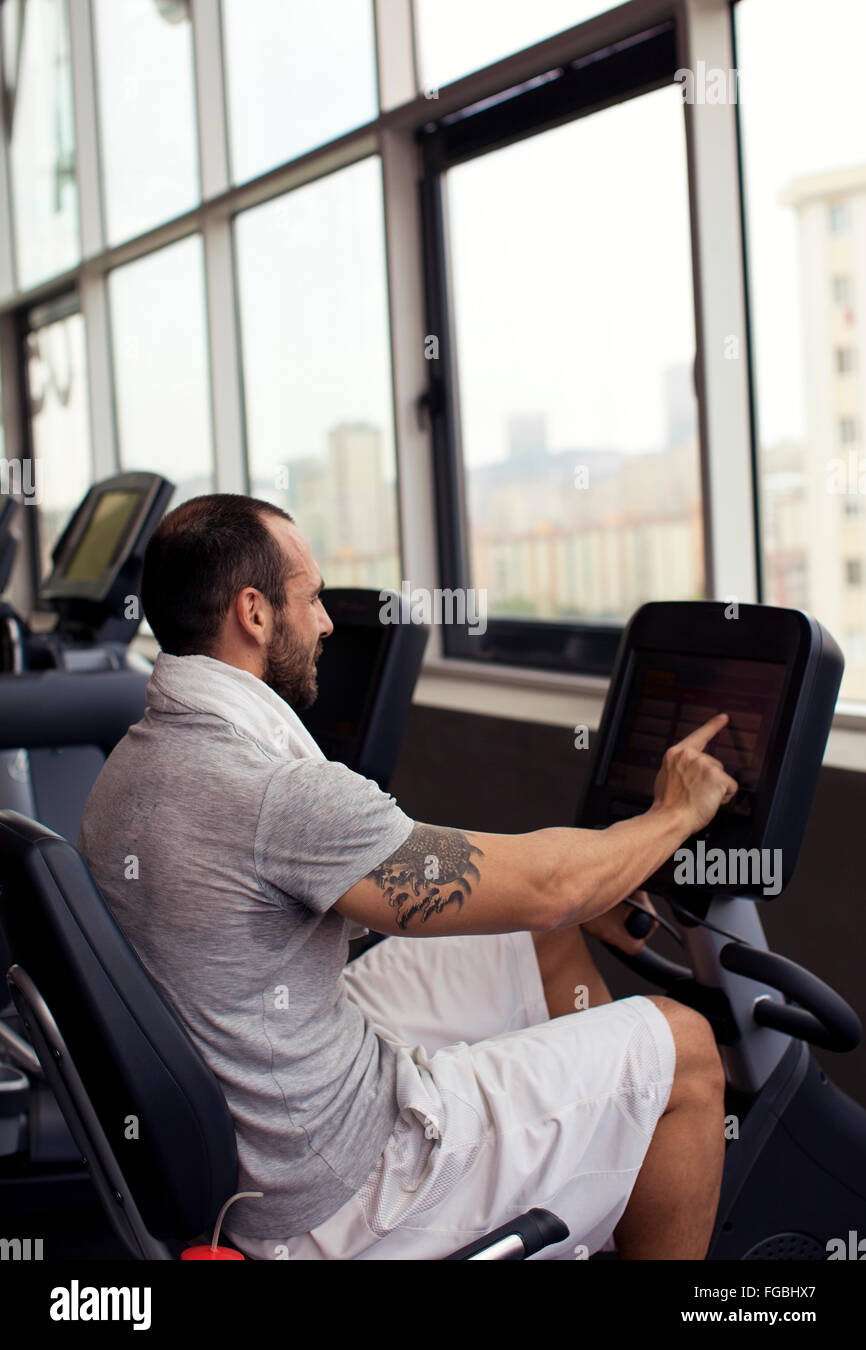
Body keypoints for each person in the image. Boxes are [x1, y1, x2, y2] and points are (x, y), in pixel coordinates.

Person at [78, 493, 737, 1261]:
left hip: (258, 1130)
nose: (326, 622)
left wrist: (576, 897)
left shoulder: (130, 763)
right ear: (254, 613)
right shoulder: (272, 790)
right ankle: (534, 1164)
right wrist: (674, 817)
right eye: (313, 596)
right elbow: (547, 885)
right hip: (339, 1188)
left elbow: (536, 904)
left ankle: (579, 1169)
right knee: (685, 1048)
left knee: (536, 933)